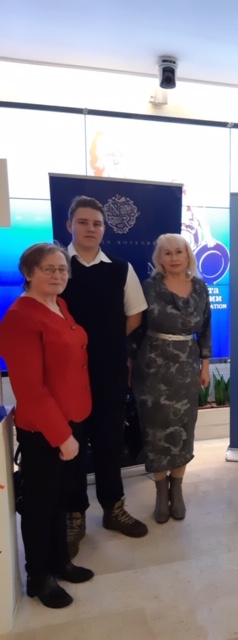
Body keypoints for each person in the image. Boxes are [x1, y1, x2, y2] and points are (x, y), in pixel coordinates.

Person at [0, 243, 94, 608]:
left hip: (74, 418)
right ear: (29, 273)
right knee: (40, 506)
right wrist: (62, 437)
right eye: (48, 269)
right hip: (45, 430)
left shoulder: (60, 305)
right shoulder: (19, 318)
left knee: (60, 500)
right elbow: (30, 389)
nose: (58, 275)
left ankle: (59, 562)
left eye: (62, 269)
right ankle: (38, 577)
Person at [60, 195, 148, 558]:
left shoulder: (121, 269)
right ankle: (74, 516)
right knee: (71, 445)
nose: (90, 229)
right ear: (70, 225)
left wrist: (107, 342)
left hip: (108, 371)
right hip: (66, 375)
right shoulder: (57, 266)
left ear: (104, 229)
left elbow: (135, 315)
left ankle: (113, 508)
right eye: (83, 222)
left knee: (109, 441)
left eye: (96, 223)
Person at [131, 233, 211, 523]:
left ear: (188, 255)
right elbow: (136, 327)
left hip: (187, 366)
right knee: (155, 430)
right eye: (167, 253)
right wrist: (128, 363)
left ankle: (176, 490)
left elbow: (206, 328)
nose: (174, 257)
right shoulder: (148, 287)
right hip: (153, 367)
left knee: (183, 428)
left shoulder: (200, 287)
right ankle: (160, 491)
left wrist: (205, 365)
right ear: (159, 258)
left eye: (179, 251)